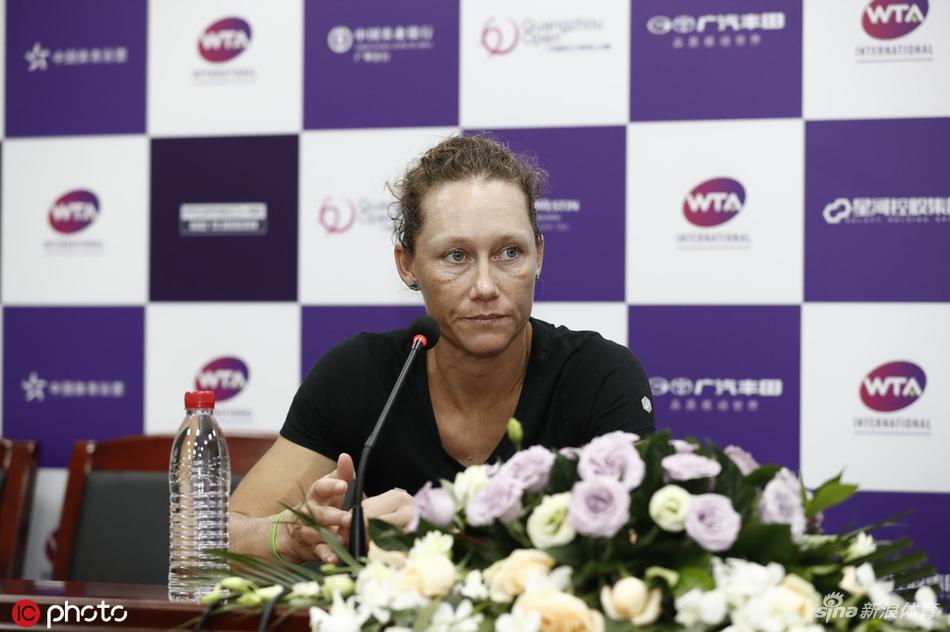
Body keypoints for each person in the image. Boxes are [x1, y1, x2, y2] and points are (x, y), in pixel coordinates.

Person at [230, 135, 655, 565]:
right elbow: (218, 535)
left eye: (510, 252)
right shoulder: (358, 375)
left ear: (539, 256)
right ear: (408, 265)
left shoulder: (599, 376)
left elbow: (644, 546)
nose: (485, 287)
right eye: (456, 256)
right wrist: (291, 536)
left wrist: (435, 530)